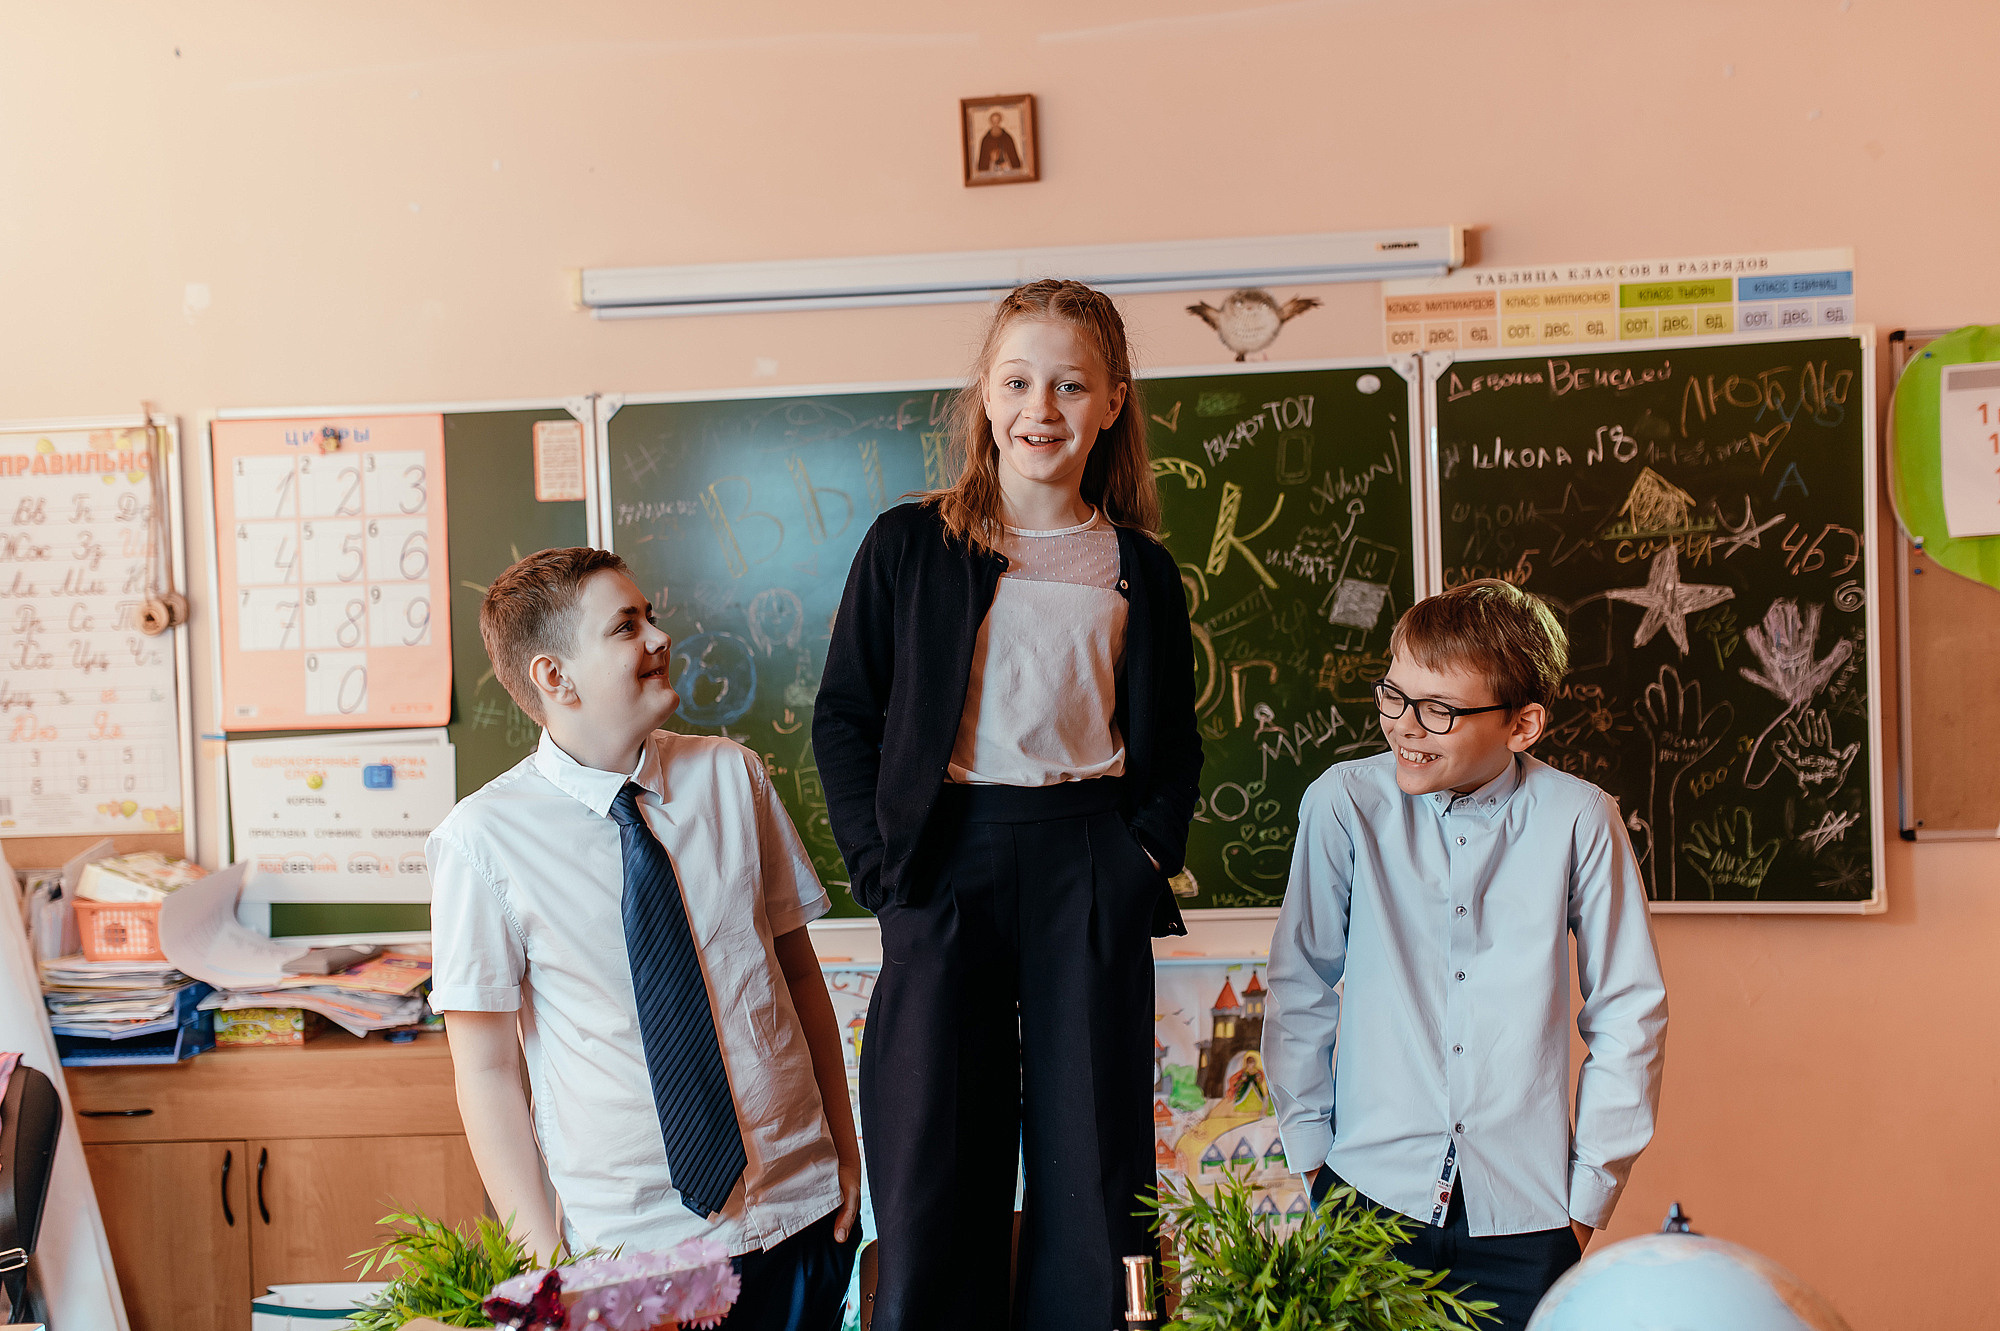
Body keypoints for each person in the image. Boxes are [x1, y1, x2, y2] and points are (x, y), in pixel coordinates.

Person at [814, 279, 1202, 1331]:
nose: (1043, 406)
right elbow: (844, 718)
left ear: (1112, 400)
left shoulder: (1137, 568)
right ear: (983, 398)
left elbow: (1172, 751)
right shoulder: (908, 544)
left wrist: (1135, 860)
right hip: (946, 861)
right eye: (1018, 380)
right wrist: (886, 874)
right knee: (933, 1147)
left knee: (1096, 1157)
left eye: (1070, 384)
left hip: (1086, 856)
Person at [428, 547, 862, 1331]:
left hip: (798, 1210)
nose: (660, 636)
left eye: (651, 615)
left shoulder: (733, 776)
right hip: (639, 1248)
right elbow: (486, 1069)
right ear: (554, 676)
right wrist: (540, 1254)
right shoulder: (481, 840)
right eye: (627, 626)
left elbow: (797, 976)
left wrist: (846, 1147)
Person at [1263, 579, 1668, 1331]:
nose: (1406, 727)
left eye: (1439, 709)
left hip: (1528, 1218)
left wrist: (1585, 1204)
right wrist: (1313, 1159)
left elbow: (1630, 1012)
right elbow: (1300, 983)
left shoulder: (1581, 818)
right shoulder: (1342, 804)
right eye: (1395, 695)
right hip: (1365, 1198)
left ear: (1523, 725)